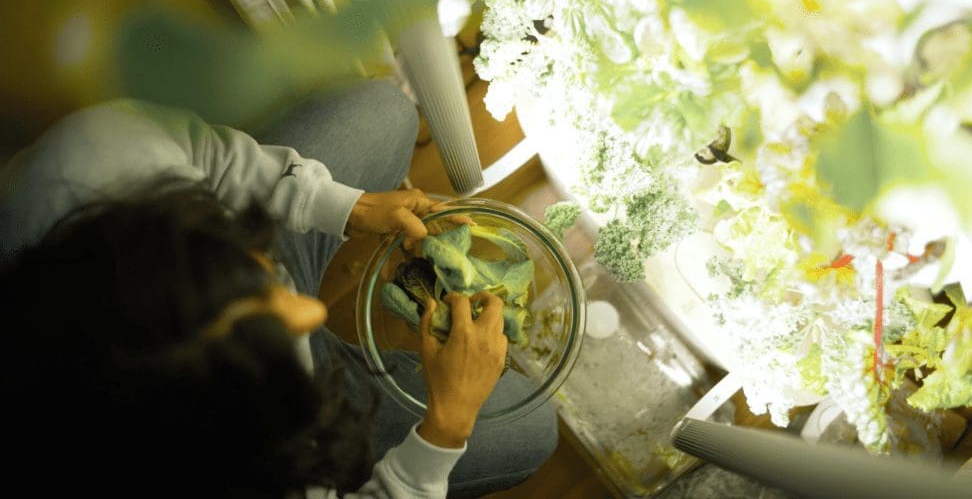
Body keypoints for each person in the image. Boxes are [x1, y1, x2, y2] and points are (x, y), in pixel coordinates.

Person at [0, 79, 558, 498]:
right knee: (534, 433)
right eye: (273, 330)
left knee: (387, 111)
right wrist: (448, 422)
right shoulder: (244, 472)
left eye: (255, 272)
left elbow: (212, 158)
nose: (314, 311)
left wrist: (349, 207)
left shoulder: (98, 155)